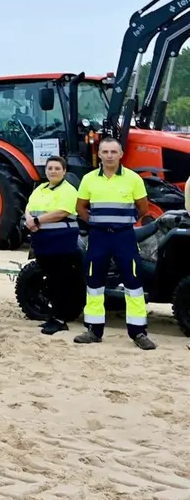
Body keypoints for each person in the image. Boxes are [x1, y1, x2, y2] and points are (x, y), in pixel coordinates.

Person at [74, 138, 156, 349]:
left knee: (134, 282)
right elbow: (81, 207)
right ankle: (93, 330)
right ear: (99, 154)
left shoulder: (133, 178)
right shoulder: (89, 179)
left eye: (113, 152)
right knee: (94, 283)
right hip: (99, 237)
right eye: (105, 152)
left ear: (121, 154)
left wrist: (124, 222)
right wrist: (94, 222)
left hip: (125, 237)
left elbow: (143, 208)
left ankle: (138, 333)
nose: (109, 155)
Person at [23, 156, 83, 336]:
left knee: (61, 280)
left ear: (64, 171)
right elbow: (29, 206)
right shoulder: (40, 188)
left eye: (57, 168)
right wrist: (29, 219)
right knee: (50, 279)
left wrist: (36, 220)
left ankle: (60, 318)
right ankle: (54, 315)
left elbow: (62, 211)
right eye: (50, 168)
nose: (53, 171)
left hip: (61, 242)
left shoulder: (68, 190)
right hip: (43, 242)